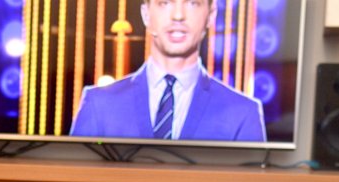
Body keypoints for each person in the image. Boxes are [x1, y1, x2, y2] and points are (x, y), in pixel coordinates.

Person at [69, 0, 266, 142]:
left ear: (211, 15)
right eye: (165, 3)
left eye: (192, 3)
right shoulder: (99, 104)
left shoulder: (243, 113)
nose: (178, 16)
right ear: (146, 14)